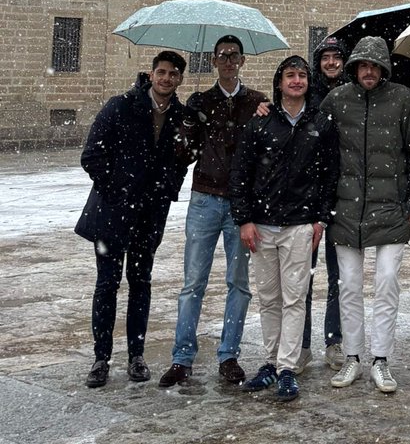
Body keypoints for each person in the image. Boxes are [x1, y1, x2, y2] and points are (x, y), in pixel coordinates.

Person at [319, 35, 410, 394]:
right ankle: (352, 356)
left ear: (383, 69)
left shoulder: (402, 98)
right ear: (355, 68)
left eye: (374, 66)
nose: (368, 72)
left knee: (386, 283)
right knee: (348, 286)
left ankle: (380, 359)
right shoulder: (337, 99)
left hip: (391, 209)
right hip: (346, 209)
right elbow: (314, 142)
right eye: (362, 65)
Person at [158, 35, 267, 387]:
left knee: (239, 283)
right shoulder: (200, 102)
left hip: (241, 205)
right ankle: (182, 357)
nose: (228, 61)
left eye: (234, 55)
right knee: (193, 282)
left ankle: (229, 354)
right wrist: (186, 130)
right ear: (214, 61)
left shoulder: (257, 103)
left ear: (243, 61)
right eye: (222, 56)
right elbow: (185, 154)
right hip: (205, 198)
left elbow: (266, 152)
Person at [76, 51, 188, 388]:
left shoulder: (181, 116)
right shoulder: (120, 105)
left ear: (180, 79)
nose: (166, 79)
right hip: (113, 213)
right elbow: (92, 154)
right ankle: (101, 358)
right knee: (107, 285)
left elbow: (183, 161)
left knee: (141, 284)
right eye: (162, 72)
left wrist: (167, 186)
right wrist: (120, 188)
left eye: (173, 74)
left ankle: (136, 356)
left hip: (150, 215)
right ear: (152, 74)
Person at [229, 54, 337, 403]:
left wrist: (320, 218)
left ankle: (288, 367)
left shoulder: (321, 122)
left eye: (302, 75)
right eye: (290, 75)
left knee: (295, 298)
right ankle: (271, 362)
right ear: (279, 83)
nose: (296, 81)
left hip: (300, 225)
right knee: (269, 298)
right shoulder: (259, 123)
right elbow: (241, 174)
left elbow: (329, 176)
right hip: (261, 225)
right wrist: (244, 218)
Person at [301, 34, 348, 371]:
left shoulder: (354, 95)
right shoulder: (307, 95)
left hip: (344, 195)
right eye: (325, 58)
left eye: (336, 57)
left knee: (338, 276)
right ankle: (300, 344)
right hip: (309, 197)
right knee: (303, 275)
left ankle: (334, 341)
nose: (331, 63)